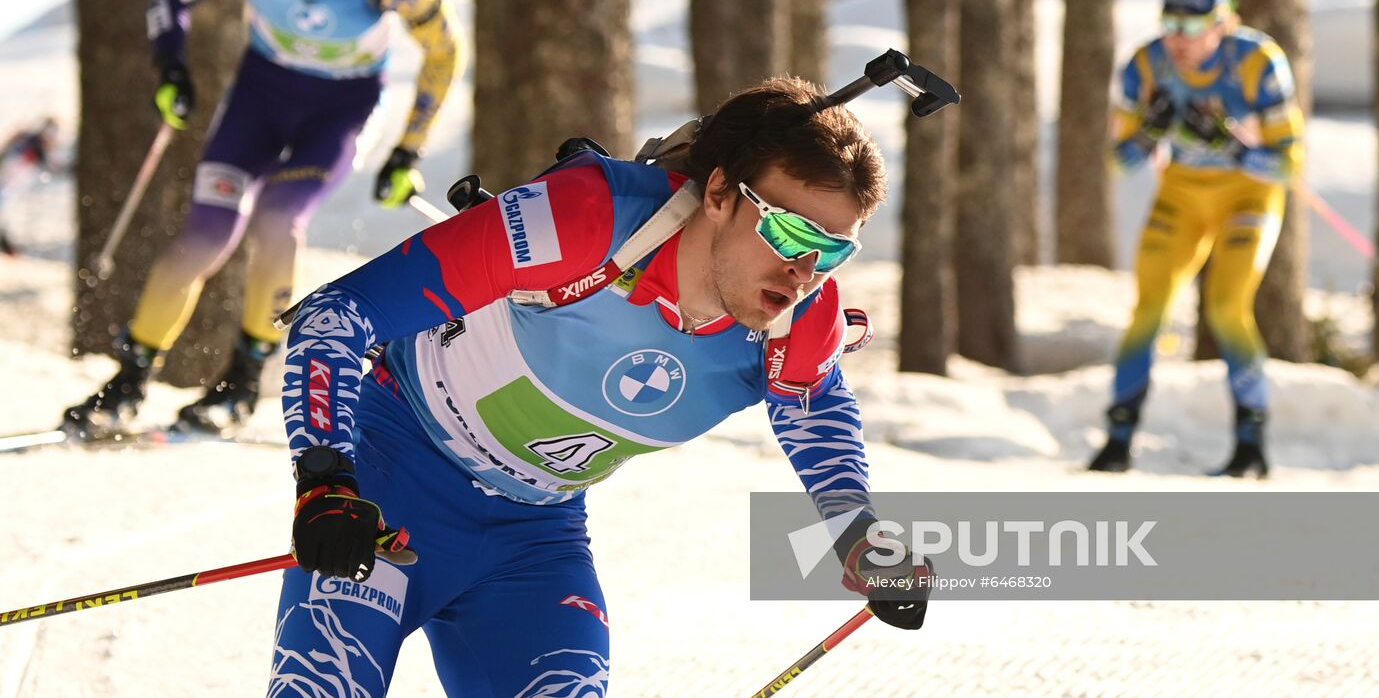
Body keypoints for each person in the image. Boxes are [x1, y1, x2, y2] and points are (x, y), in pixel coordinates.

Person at [266, 78, 931, 697]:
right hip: (392, 485)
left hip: (531, 538)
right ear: (722, 193)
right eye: (789, 231)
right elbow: (338, 316)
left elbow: (813, 407)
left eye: (835, 251)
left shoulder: (802, 311)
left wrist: (858, 534)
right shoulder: (585, 220)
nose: (804, 270)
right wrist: (325, 479)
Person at [62, 0, 465, 437]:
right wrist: (171, 67)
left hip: (339, 113)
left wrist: (410, 147)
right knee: (206, 233)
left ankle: (242, 382)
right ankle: (128, 378)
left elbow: (444, 50)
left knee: (277, 219)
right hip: (259, 101)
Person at [1087, 0, 1305, 478]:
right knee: (1150, 309)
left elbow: (1290, 162)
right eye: (1170, 23)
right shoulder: (1146, 65)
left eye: (1192, 26)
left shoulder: (1257, 62)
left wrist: (1231, 143)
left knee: (1228, 309)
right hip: (1182, 195)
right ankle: (1118, 440)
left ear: (1222, 22)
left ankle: (1250, 444)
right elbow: (1119, 163)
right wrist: (1149, 133)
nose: (1178, 39)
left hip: (1247, 198)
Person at [0, 117, 60, 256]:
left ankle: (9, 248)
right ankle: (8, 247)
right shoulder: (32, 145)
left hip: (8, 189)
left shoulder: (32, 145)